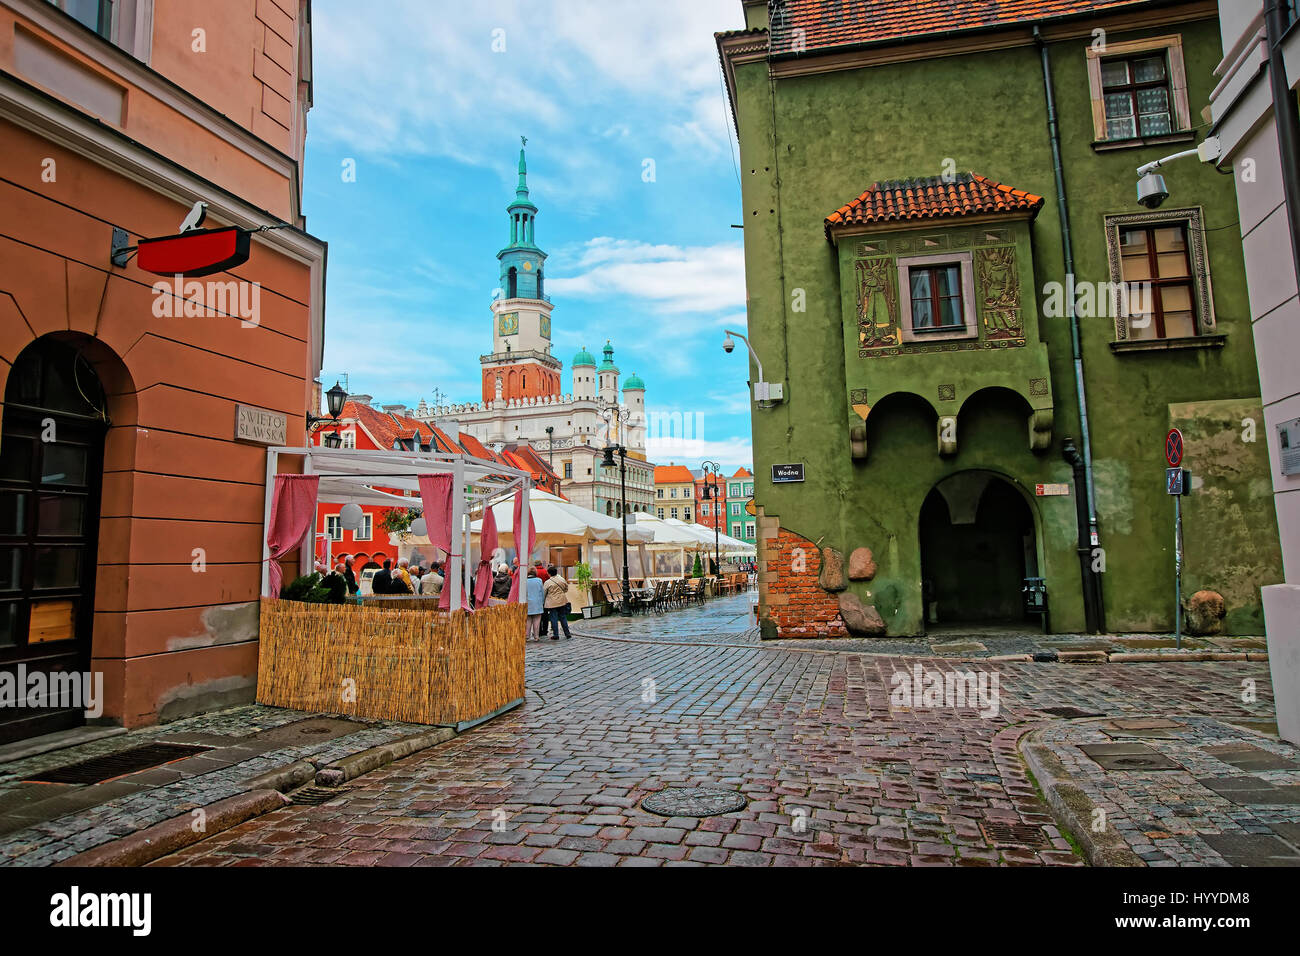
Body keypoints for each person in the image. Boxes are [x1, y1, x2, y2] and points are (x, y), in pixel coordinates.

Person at [543, 565, 572, 640]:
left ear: (549, 574)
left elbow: (544, 593)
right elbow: (566, 588)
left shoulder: (547, 582)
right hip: (562, 601)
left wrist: (543, 601)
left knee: (553, 618)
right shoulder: (561, 579)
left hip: (552, 602)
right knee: (563, 617)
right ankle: (567, 633)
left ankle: (556, 634)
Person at [525, 568, 545, 641]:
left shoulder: (525, 581)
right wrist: (542, 602)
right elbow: (542, 593)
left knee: (528, 620)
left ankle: (527, 636)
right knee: (537, 620)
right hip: (537, 603)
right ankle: (536, 636)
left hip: (527, 603)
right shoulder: (539, 580)